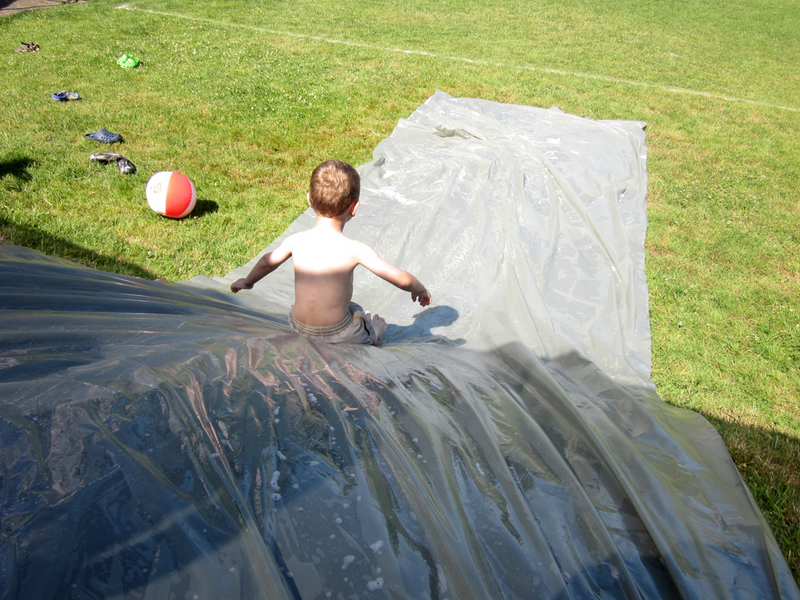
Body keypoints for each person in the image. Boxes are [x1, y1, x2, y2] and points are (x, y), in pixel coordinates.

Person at [231, 160, 432, 345]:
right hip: (338, 334)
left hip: (298, 326)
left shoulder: (295, 241)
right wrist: (419, 289)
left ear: (309, 200)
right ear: (354, 208)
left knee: (347, 307)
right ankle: (375, 333)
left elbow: (267, 262)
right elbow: (401, 279)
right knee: (357, 311)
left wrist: (248, 281)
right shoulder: (355, 249)